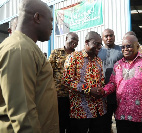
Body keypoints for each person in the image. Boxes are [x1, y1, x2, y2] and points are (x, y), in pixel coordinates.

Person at [0, 0, 59, 132]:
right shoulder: (19, 49)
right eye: (50, 20)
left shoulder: (27, 47)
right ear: (37, 17)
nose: (52, 26)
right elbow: (22, 112)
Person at [100, 35, 142, 133]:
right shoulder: (118, 65)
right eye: (123, 47)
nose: (125, 49)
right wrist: (102, 91)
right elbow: (112, 83)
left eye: (128, 46)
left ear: (137, 46)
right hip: (124, 117)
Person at [62, 31, 107, 133]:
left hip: (98, 110)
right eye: (97, 44)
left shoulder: (98, 61)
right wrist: (89, 90)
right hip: (80, 111)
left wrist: (102, 90)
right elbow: (66, 81)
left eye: (101, 44)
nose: (100, 47)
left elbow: (101, 81)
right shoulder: (74, 57)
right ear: (87, 42)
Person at [49, 32, 79, 133]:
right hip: (59, 95)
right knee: (59, 123)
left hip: (73, 96)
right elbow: (49, 72)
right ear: (66, 38)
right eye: (73, 39)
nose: (75, 42)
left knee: (71, 123)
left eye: (77, 40)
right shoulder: (56, 53)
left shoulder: (78, 55)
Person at [98, 28, 123, 133]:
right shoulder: (98, 51)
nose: (109, 38)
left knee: (121, 121)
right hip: (103, 93)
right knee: (105, 122)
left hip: (119, 93)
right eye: (106, 36)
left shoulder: (121, 50)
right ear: (102, 38)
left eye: (111, 35)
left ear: (114, 36)